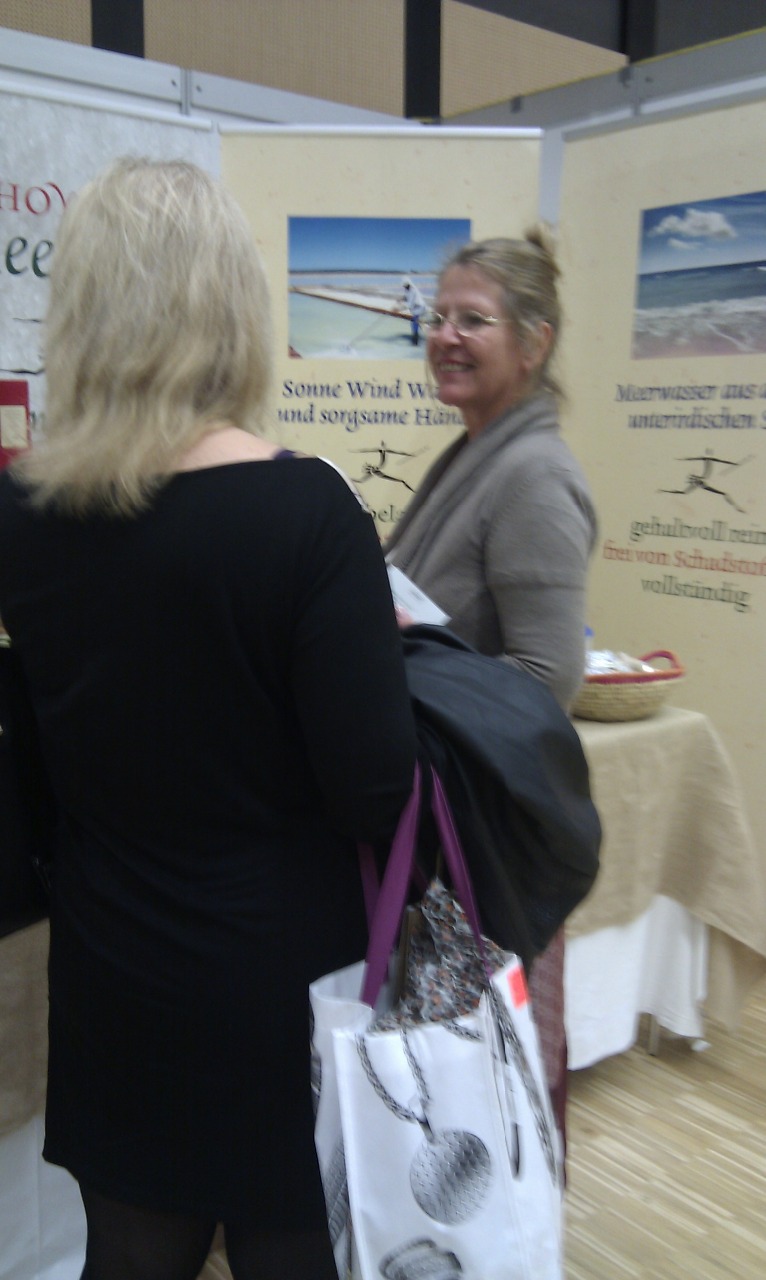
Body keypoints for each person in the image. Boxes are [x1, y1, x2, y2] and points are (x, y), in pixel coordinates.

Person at [0, 157, 417, 1280]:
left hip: (111, 970)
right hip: (285, 987)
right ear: (233, 307)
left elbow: (38, 756)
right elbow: (375, 789)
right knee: (293, 1252)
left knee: (128, 1257)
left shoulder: (24, 512)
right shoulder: (308, 512)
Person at [385, 230, 598, 1149]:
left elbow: (549, 680)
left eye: (473, 320)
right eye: (438, 317)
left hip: (472, 845)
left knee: (477, 1089)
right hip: (442, 832)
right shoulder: (476, 453)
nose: (445, 336)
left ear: (535, 342)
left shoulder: (533, 476)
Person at [399, 276, 427, 347]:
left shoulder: (413, 290)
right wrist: (402, 299)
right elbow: (406, 297)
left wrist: (400, 307)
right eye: (404, 286)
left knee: (415, 324)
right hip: (415, 309)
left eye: (405, 285)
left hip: (419, 308)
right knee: (418, 324)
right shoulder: (407, 290)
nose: (405, 287)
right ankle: (419, 339)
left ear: (408, 284)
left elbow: (410, 304)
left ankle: (415, 342)